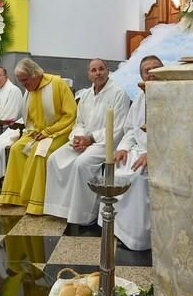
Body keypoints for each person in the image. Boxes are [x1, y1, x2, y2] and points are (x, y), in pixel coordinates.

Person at [43, 59, 130, 225]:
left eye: (101, 69)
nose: (98, 73)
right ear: (89, 74)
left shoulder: (119, 94)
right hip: (84, 140)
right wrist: (78, 138)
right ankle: (60, 208)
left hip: (106, 142)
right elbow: (79, 122)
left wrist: (91, 139)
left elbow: (118, 127)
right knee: (54, 159)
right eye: (93, 70)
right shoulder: (85, 95)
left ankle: (82, 214)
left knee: (81, 164)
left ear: (107, 71)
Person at [0, 58, 77, 215]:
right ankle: (15, 197)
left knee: (39, 153)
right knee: (16, 149)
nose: (23, 85)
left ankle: (35, 202)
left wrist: (48, 132)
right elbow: (31, 118)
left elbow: (70, 114)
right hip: (36, 133)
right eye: (20, 81)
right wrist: (33, 130)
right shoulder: (30, 89)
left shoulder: (57, 84)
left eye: (25, 80)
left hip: (60, 132)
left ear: (35, 74)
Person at [104, 55, 163, 251]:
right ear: (142, 77)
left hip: (161, 154)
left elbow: (177, 134)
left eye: (157, 68)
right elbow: (130, 129)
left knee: (137, 178)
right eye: (148, 70)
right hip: (137, 149)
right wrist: (122, 148)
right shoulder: (139, 98)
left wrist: (154, 153)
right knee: (113, 170)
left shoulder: (172, 97)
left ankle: (138, 238)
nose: (153, 73)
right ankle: (118, 229)